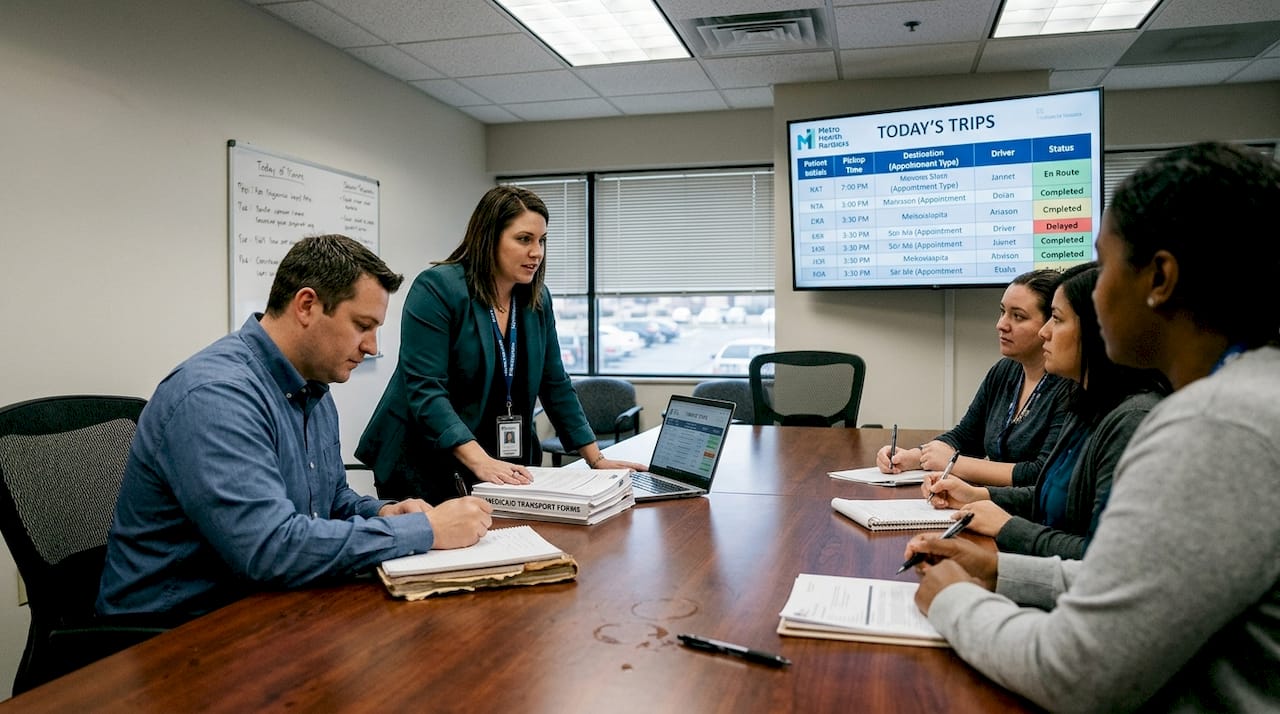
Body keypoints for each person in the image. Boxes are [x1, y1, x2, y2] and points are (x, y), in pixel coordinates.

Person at [905, 142, 1280, 711]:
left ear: (1159, 277)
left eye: (1103, 266)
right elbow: (1155, 592)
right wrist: (1006, 570)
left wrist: (954, 599)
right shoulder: (1249, 395)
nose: (1090, 289)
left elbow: (1077, 674)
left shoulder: (1214, 426)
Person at [97, 235, 494, 621]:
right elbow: (269, 550)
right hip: (172, 635)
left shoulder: (312, 387)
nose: (372, 347)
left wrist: (386, 512)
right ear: (306, 305)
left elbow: (332, 501)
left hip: (260, 607)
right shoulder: (216, 396)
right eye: (362, 325)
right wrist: (423, 530)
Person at [358, 186, 645, 504]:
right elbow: (426, 391)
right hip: (422, 459)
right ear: (489, 237)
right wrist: (480, 461)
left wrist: (596, 459)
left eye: (542, 241)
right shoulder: (438, 289)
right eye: (524, 239)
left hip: (496, 457)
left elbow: (555, 383)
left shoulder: (536, 299)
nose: (537, 252)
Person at [921, 263, 1168, 558]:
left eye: (1056, 319)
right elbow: (1050, 496)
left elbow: (1104, 557)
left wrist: (1007, 528)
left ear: (1097, 331)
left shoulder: (1131, 420)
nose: (1045, 332)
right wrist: (979, 494)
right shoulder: (1085, 401)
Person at [878, 269, 1072, 486]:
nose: (1001, 325)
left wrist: (953, 464)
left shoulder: (1069, 385)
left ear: (1050, 325)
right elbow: (966, 437)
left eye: (1018, 316)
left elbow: (1040, 473)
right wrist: (912, 457)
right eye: (1002, 312)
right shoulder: (1005, 371)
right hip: (991, 501)